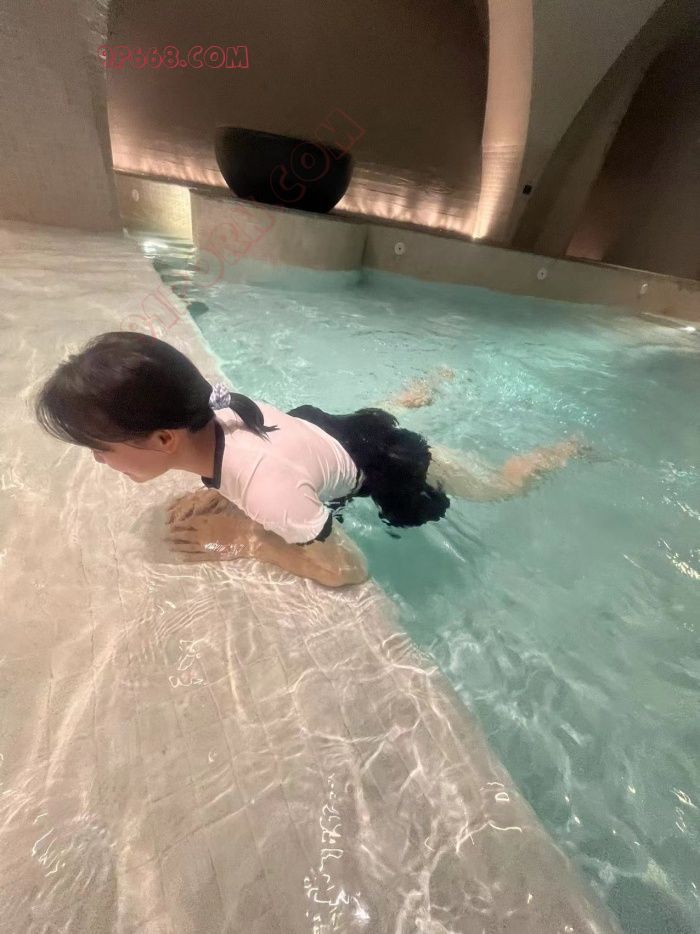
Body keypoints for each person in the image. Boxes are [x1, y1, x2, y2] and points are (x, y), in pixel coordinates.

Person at [35, 332, 585, 588]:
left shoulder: (268, 491)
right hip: (324, 432)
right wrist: (221, 494)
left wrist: (247, 539)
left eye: (99, 447)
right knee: (371, 420)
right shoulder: (212, 411)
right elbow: (250, 462)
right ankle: (415, 395)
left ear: (163, 439)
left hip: (383, 461)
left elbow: (348, 569)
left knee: (500, 487)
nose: (98, 461)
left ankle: (559, 452)